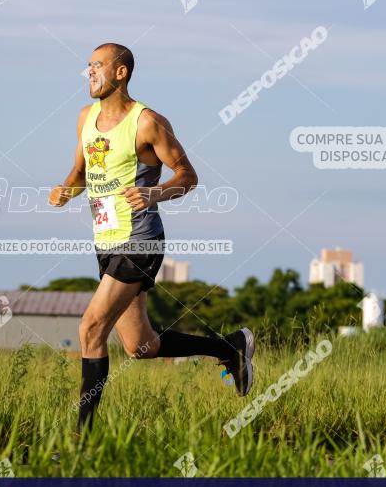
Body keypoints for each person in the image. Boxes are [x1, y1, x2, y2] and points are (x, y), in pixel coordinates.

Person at [48, 42, 255, 432]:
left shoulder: (147, 123)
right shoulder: (84, 119)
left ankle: (80, 442)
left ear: (121, 73)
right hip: (106, 240)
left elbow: (188, 176)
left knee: (91, 328)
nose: (89, 73)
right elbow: (79, 173)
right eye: (87, 67)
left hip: (140, 240)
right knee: (140, 346)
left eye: (98, 66)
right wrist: (63, 190)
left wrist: (154, 193)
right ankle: (229, 348)